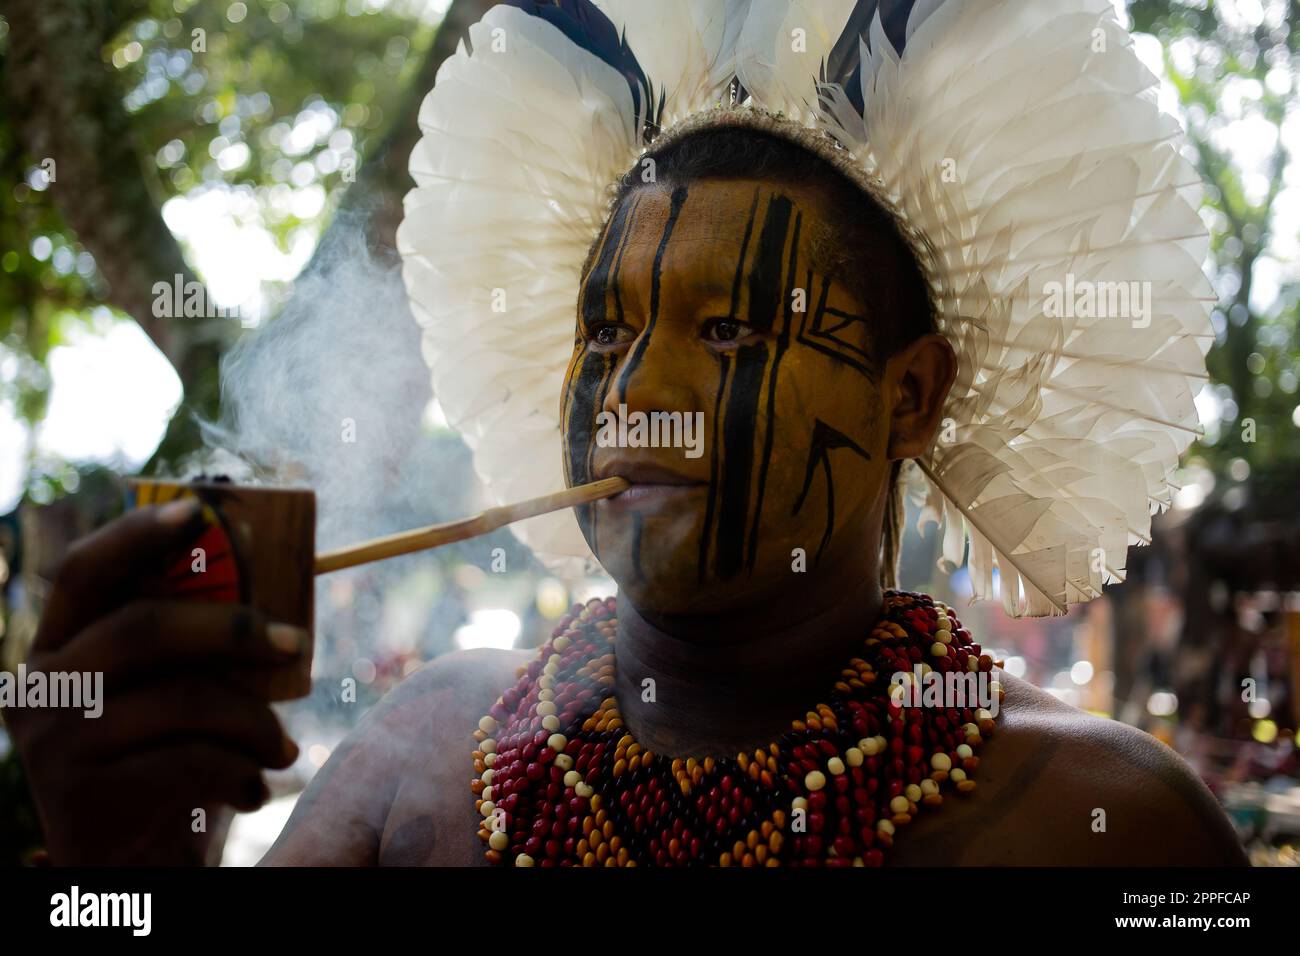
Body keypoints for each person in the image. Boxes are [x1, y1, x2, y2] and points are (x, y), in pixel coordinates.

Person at [5, 0, 1247, 866]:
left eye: (728, 333)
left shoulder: (1110, 822)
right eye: (605, 332)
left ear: (910, 393)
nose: (632, 390)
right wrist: (115, 867)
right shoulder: (422, 750)